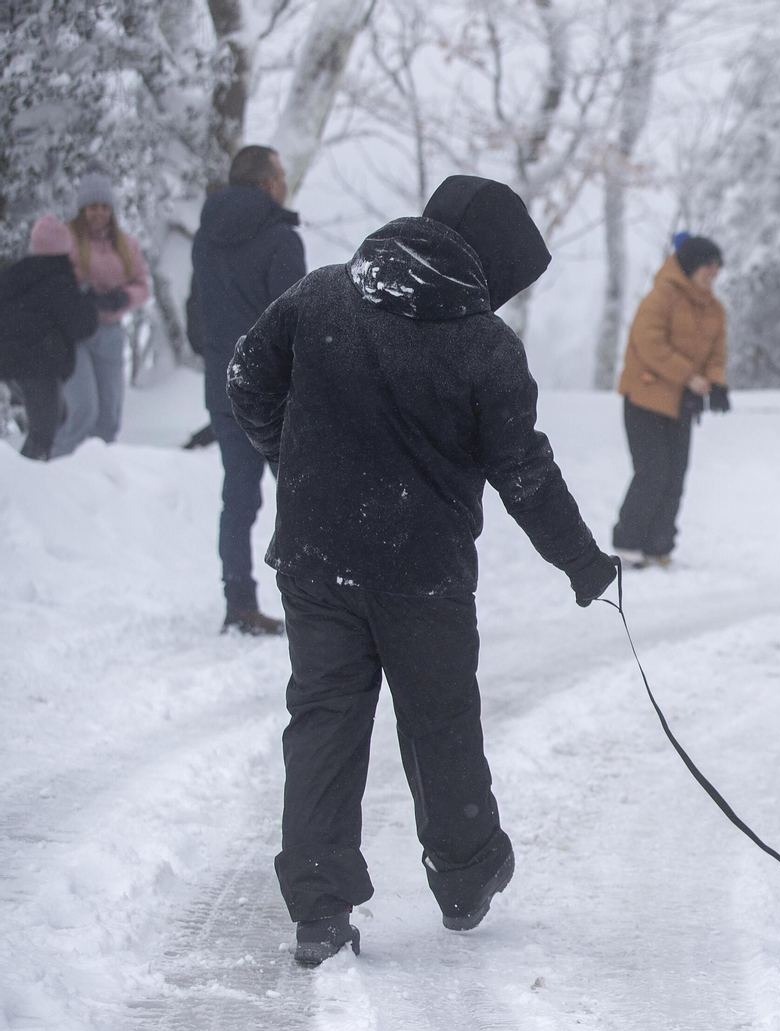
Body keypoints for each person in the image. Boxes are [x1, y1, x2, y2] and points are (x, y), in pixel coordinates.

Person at [229, 174, 619, 966]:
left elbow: (246, 379)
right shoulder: (485, 348)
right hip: (422, 576)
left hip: (316, 560)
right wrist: (585, 565)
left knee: (326, 723)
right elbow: (526, 476)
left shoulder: (321, 297)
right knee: (439, 723)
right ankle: (465, 873)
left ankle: (319, 908)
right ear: (489, 264)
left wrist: (298, 468)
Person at [191, 145, 306, 635]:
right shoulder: (281, 238)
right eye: (281, 174)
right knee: (303, 495)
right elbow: (295, 320)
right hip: (275, 390)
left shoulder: (205, 238)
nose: (285, 182)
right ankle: (313, 601)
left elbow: (196, 313)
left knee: (237, 497)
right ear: (268, 184)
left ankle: (238, 602)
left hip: (224, 384)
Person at [612, 234, 730, 569]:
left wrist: (717, 382)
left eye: (717, 267)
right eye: (708, 266)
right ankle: (628, 545)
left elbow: (717, 353)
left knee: (675, 476)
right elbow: (649, 345)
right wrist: (689, 376)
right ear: (691, 265)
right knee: (651, 472)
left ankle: (658, 547)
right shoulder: (661, 296)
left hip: (681, 403)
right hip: (646, 399)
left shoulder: (714, 308)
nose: (713, 273)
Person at [52, 172, 150, 456]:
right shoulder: (67, 239)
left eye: (104, 207)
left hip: (111, 332)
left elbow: (142, 286)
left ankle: (100, 476)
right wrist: (82, 295)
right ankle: (57, 469)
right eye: (93, 207)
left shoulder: (126, 245)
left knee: (109, 415)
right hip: (76, 334)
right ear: (83, 209)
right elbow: (54, 281)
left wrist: (123, 297)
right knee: (83, 410)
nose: (99, 213)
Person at [0, 217, 100, 459]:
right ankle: (28, 483)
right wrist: (91, 302)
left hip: (13, 364)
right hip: (38, 365)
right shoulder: (57, 280)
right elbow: (82, 324)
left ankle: (44, 476)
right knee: (44, 432)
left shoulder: (19, 273)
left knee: (58, 417)